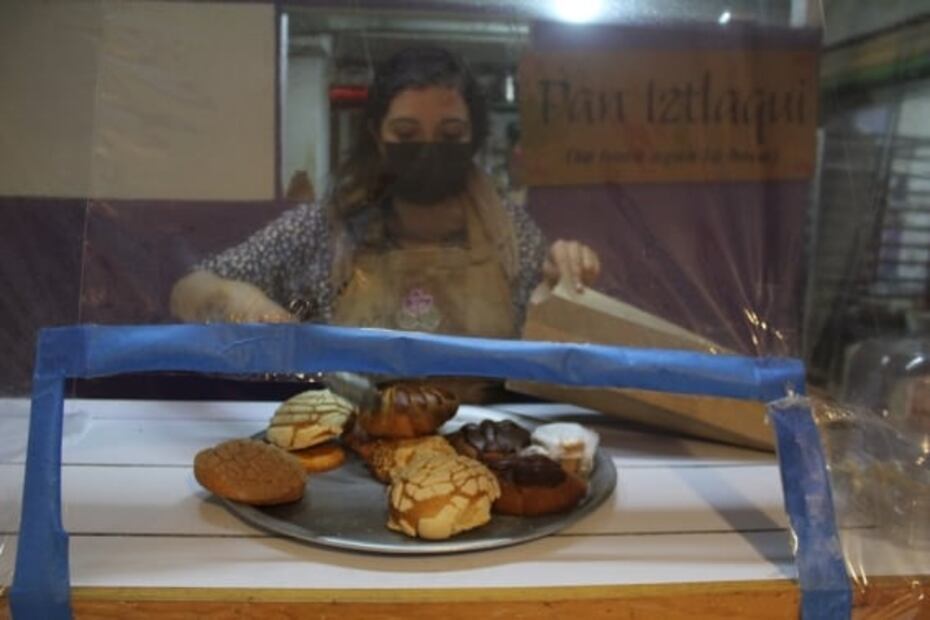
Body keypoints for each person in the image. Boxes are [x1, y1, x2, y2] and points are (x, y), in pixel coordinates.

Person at [170, 46, 600, 339]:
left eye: (450, 133)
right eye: (406, 133)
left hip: (482, 438)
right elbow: (186, 289)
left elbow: (553, 349)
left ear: (474, 138)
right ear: (378, 136)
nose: (428, 149)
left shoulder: (511, 235)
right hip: (353, 439)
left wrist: (565, 284)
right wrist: (234, 300)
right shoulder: (328, 227)